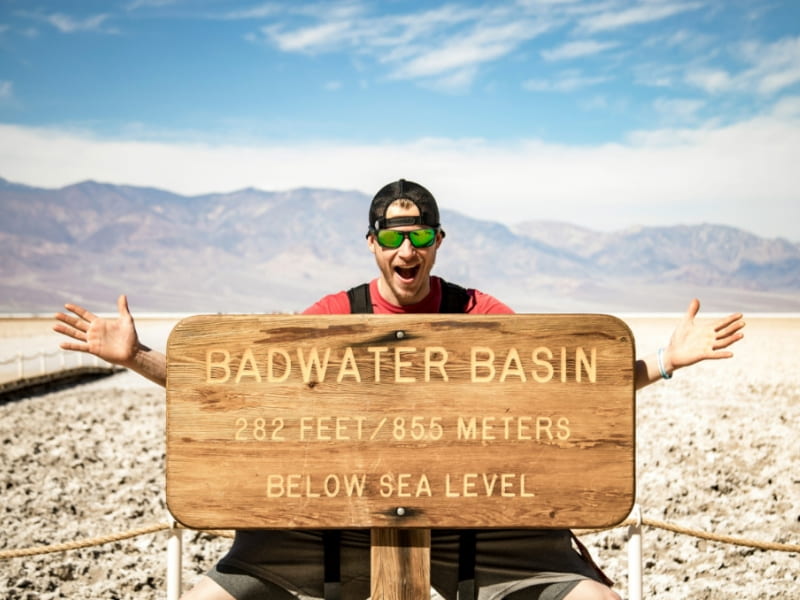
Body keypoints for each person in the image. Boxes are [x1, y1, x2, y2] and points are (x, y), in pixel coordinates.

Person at [54, 179, 745, 600]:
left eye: (419, 235)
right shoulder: (330, 316)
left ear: (438, 241)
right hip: (332, 530)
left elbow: (567, 392)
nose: (406, 250)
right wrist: (138, 355)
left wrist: (664, 362)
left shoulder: (484, 318)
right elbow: (236, 387)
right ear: (372, 242)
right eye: (393, 235)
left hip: (473, 530)